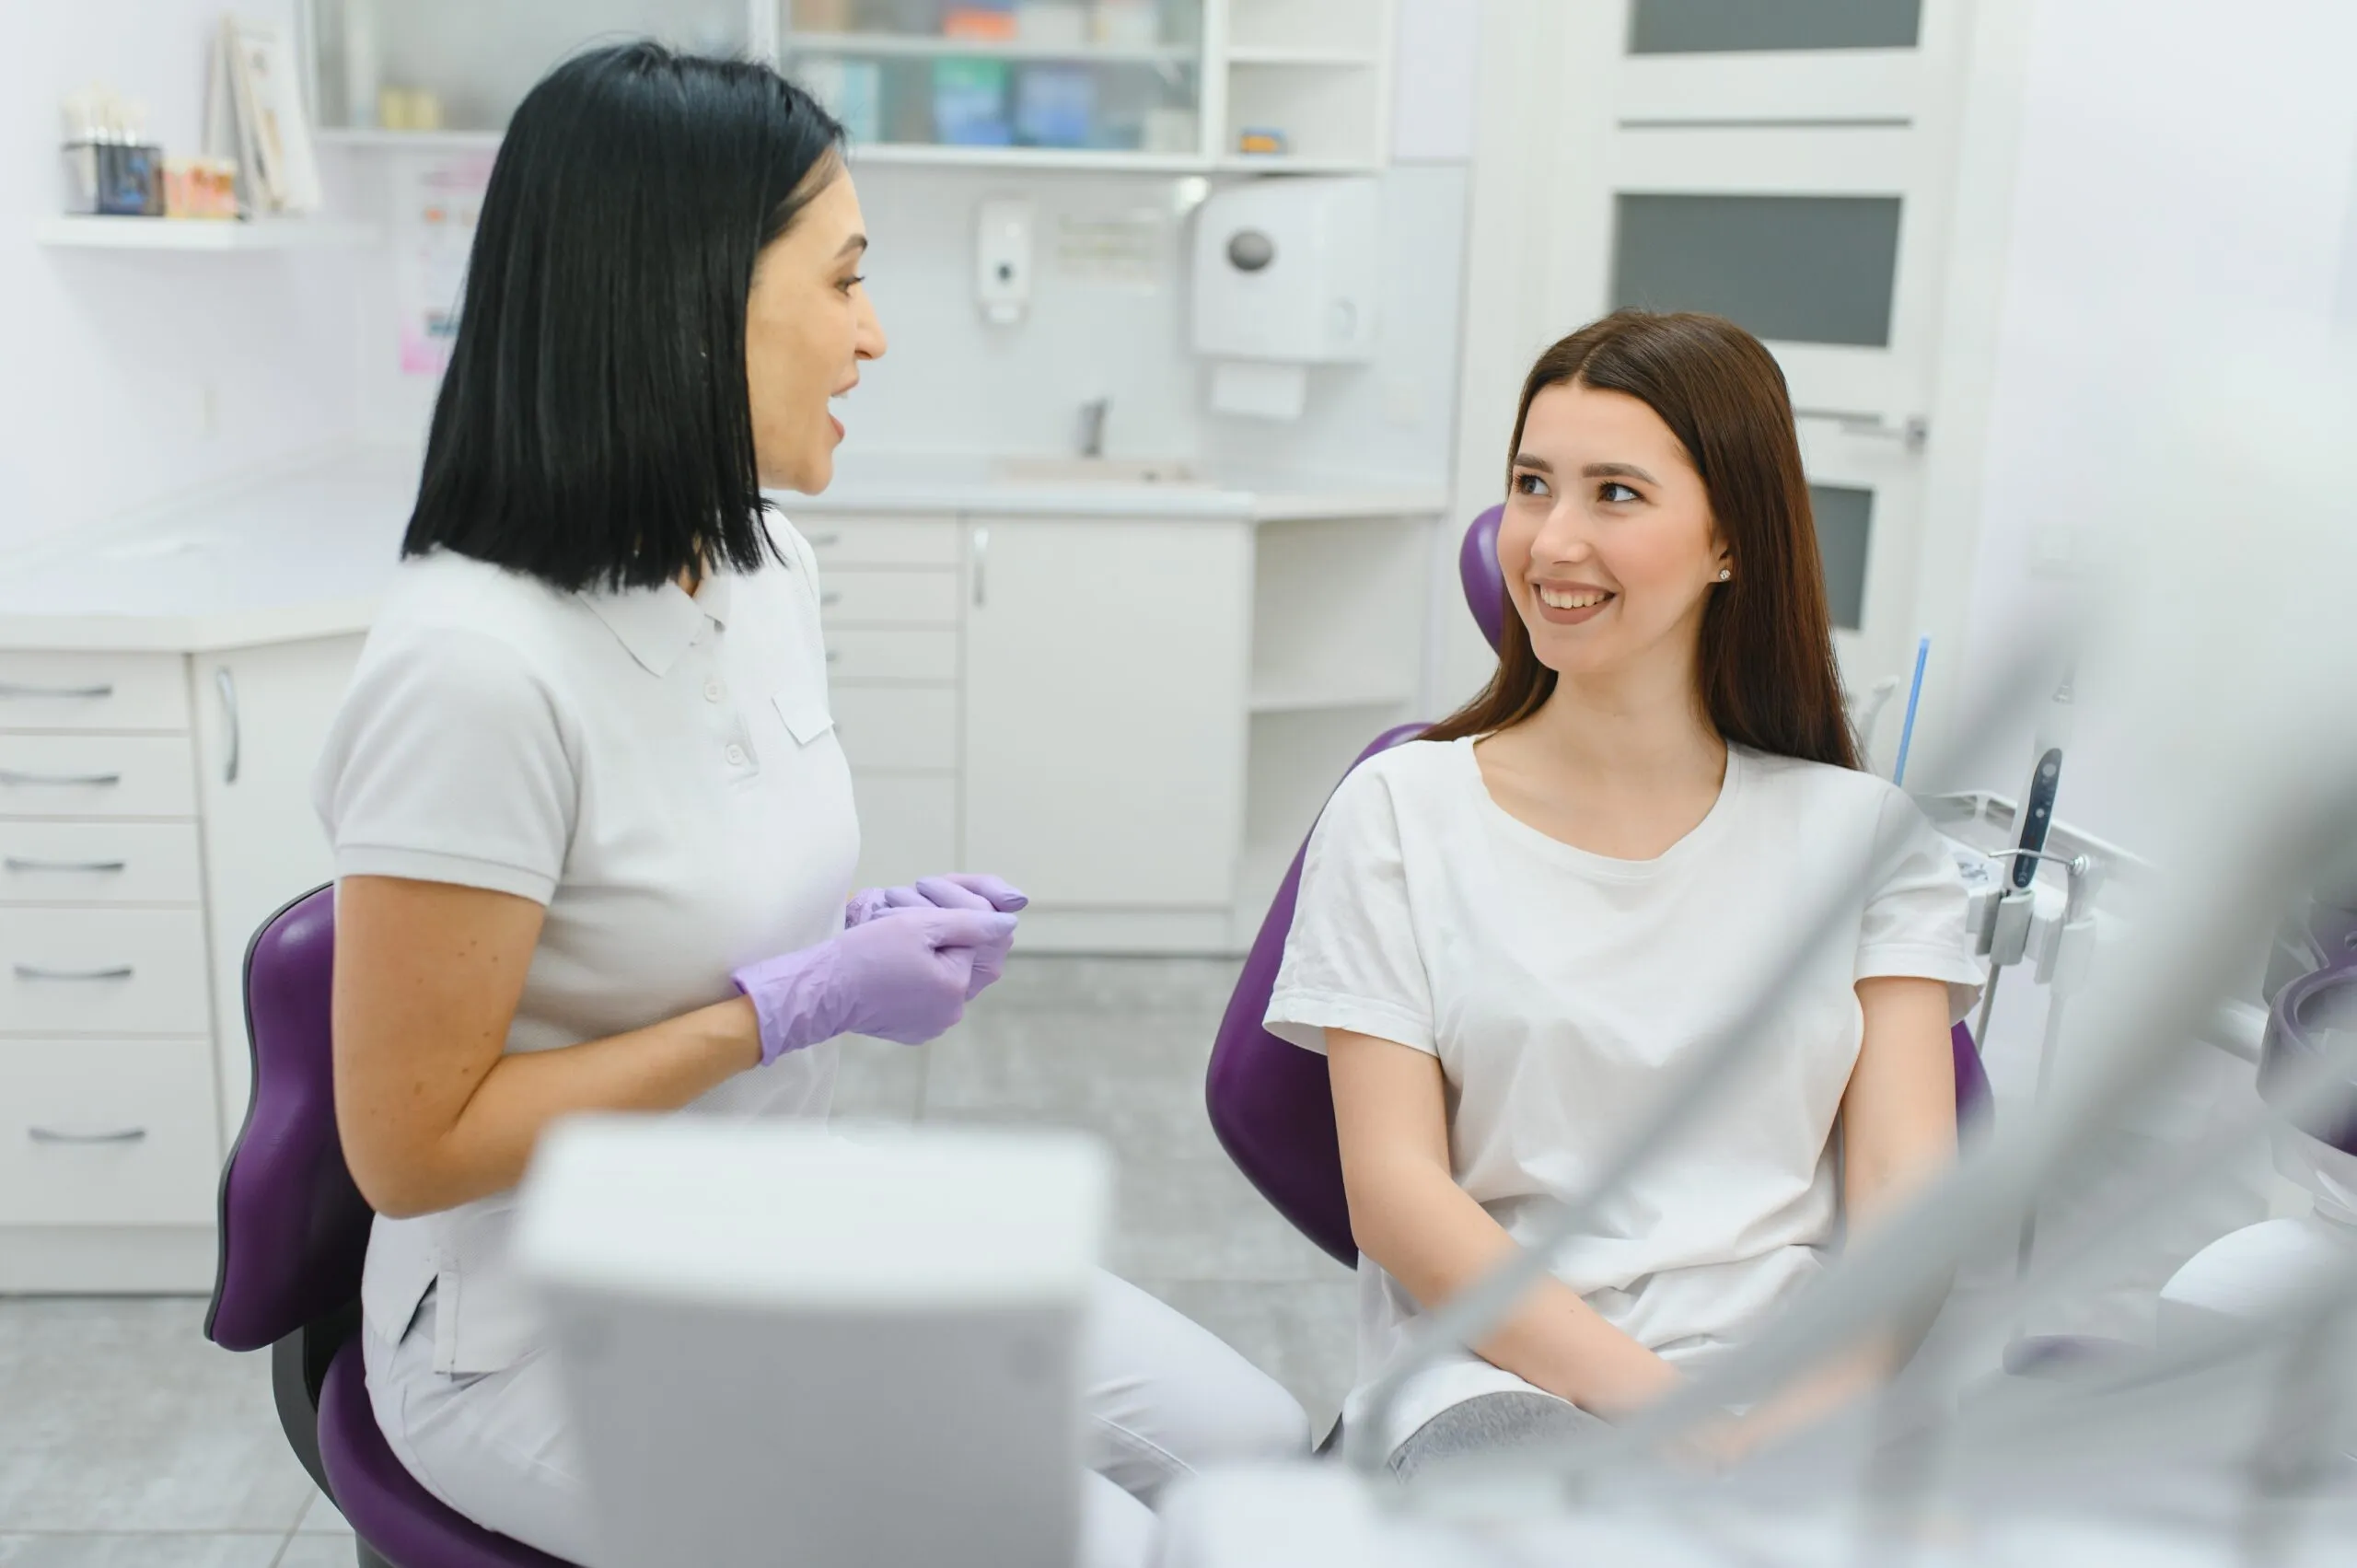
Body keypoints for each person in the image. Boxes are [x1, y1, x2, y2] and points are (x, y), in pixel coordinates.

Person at [317, 44, 1305, 1567]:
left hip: (772, 1209)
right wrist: (786, 1005)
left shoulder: (766, 565)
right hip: (538, 1325)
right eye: (843, 281)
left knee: (1256, 1454)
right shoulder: (474, 667)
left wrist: (845, 943)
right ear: (687, 298)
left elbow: (668, 898)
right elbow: (411, 1147)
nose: (875, 334)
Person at [1265, 309, 1983, 1480]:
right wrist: (1683, 1422)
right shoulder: (1401, 808)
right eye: (1531, 484)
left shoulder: (1865, 840)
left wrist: (1796, 1424)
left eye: (1615, 494)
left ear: (1730, 541)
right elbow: (1396, 1195)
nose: (1550, 540)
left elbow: (1907, 1205)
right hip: (1493, 1378)